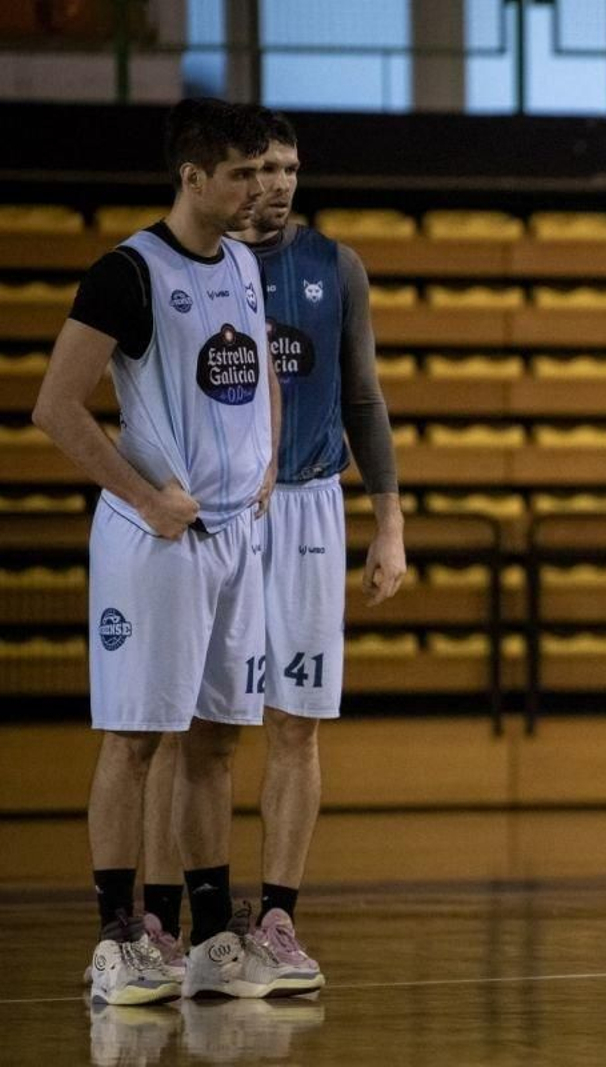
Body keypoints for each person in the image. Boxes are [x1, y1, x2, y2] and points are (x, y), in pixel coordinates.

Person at [134, 107, 407, 993]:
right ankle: (179, 914)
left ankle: (279, 913)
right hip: (220, 513)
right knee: (201, 728)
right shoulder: (187, 269)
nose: (278, 181)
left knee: (299, 723)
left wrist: (388, 519)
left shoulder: (337, 266)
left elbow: (364, 397)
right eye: (259, 166)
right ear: (226, 177)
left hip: (311, 507)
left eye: (289, 165)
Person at [33, 98, 291, 1003]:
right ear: (192, 178)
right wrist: (145, 495)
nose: (262, 186)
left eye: (268, 171)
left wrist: (264, 458)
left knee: (217, 741)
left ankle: (214, 933)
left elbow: (256, 366)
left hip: (233, 536)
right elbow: (55, 406)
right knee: (136, 737)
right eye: (243, 173)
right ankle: (117, 936)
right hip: (157, 542)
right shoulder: (127, 272)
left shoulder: (248, 265)